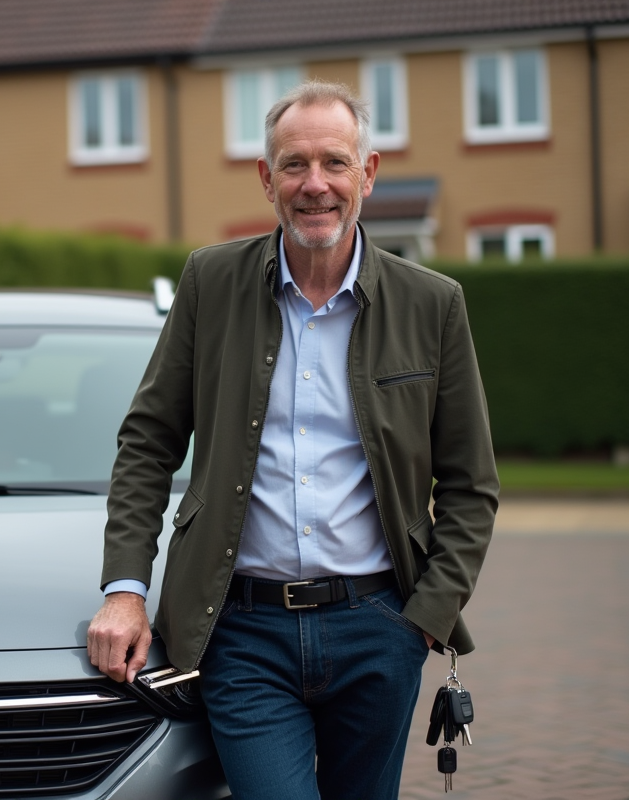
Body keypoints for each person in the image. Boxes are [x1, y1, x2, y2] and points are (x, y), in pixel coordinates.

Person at [87, 79, 498, 800]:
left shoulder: (433, 304)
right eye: (294, 165)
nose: (316, 186)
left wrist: (424, 620)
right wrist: (124, 588)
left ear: (367, 173)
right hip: (243, 635)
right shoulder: (210, 282)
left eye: (335, 163)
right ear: (266, 178)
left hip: (379, 630)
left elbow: (470, 484)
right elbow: (149, 440)